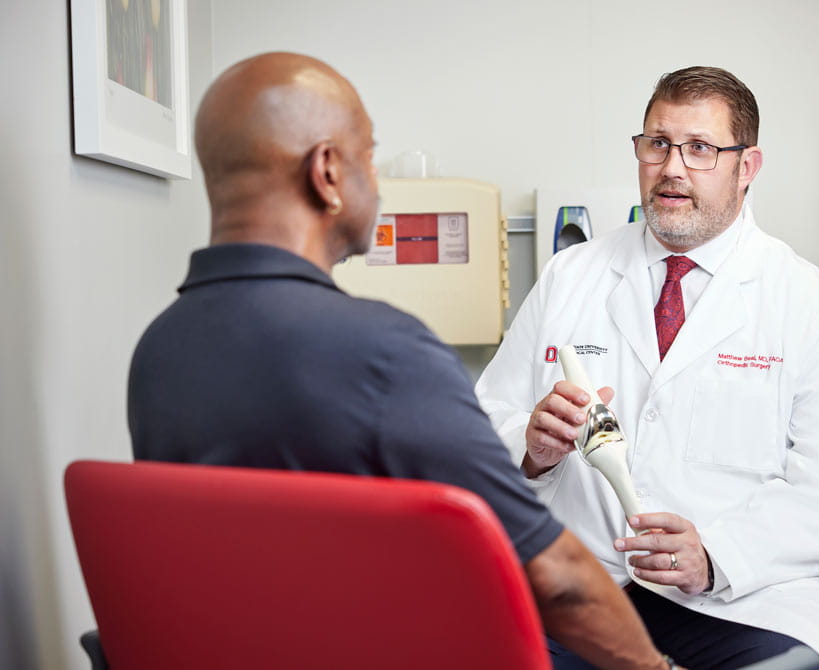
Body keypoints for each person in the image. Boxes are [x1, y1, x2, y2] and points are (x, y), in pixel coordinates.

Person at [127, 52, 676, 670]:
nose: (376, 180)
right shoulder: (384, 354)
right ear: (327, 172)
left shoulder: (158, 351)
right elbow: (556, 578)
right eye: (368, 156)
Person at [475, 66, 819, 669]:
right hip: (582, 584)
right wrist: (531, 447)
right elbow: (489, 419)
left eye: (700, 149)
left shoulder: (809, 303)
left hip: (747, 598)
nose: (672, 167)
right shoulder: (572, 277)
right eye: (658, 144)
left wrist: (716, 556)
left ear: (746, 168)